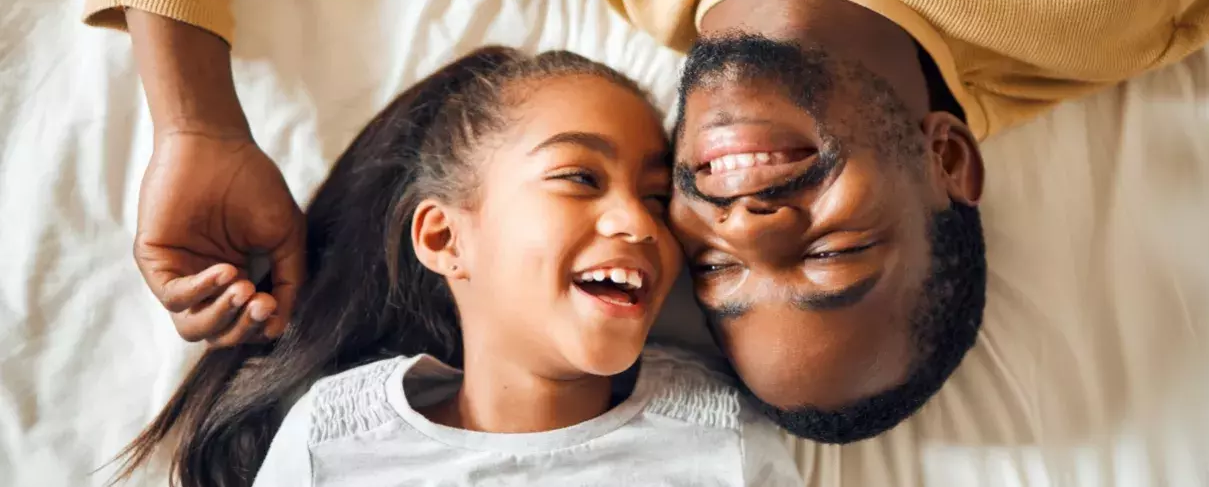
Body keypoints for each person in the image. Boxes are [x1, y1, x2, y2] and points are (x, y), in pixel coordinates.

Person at [84, 0, 1209, 444]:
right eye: (832, 255)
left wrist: (192, 118)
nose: (751, 225)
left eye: (716, 270)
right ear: (947, 160)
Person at [111, 46, 804, 487]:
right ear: (444, 238)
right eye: (579, 178)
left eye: (655, 197)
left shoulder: (722, 436)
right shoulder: (337, 440)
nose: (638, 223)